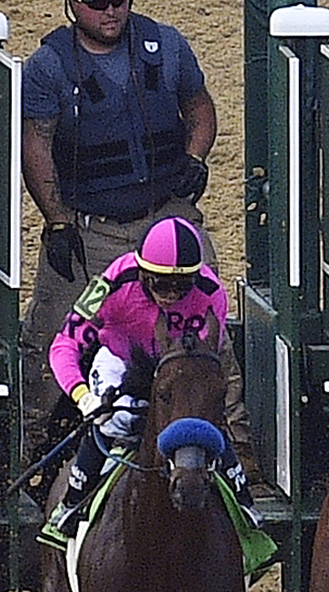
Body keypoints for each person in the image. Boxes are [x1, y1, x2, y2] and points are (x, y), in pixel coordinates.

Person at [16, 0, 222, 443]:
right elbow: (36, 145)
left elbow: (200, 108)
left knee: (211, 333)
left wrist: (195, 158)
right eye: (96, 0)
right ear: (72, 3)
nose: (110, 10)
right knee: (49, 334)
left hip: (165, 216)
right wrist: (57, 222)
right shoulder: (49, 66)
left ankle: (232, 440)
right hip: (91, 227)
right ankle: (32, 444)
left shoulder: (166, 46)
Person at [40, 216, 258, 544]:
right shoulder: (111, 284)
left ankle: (244, 505)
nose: (171, 294)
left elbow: (203, 360)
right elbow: (64, 345)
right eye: (160, 284)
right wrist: (84, 397)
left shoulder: (211, 291)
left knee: (200, 421)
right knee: (116, 421)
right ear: (142, 273)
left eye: (182, 286)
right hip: (121, 360)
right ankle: (71, 503)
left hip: (177, 364)